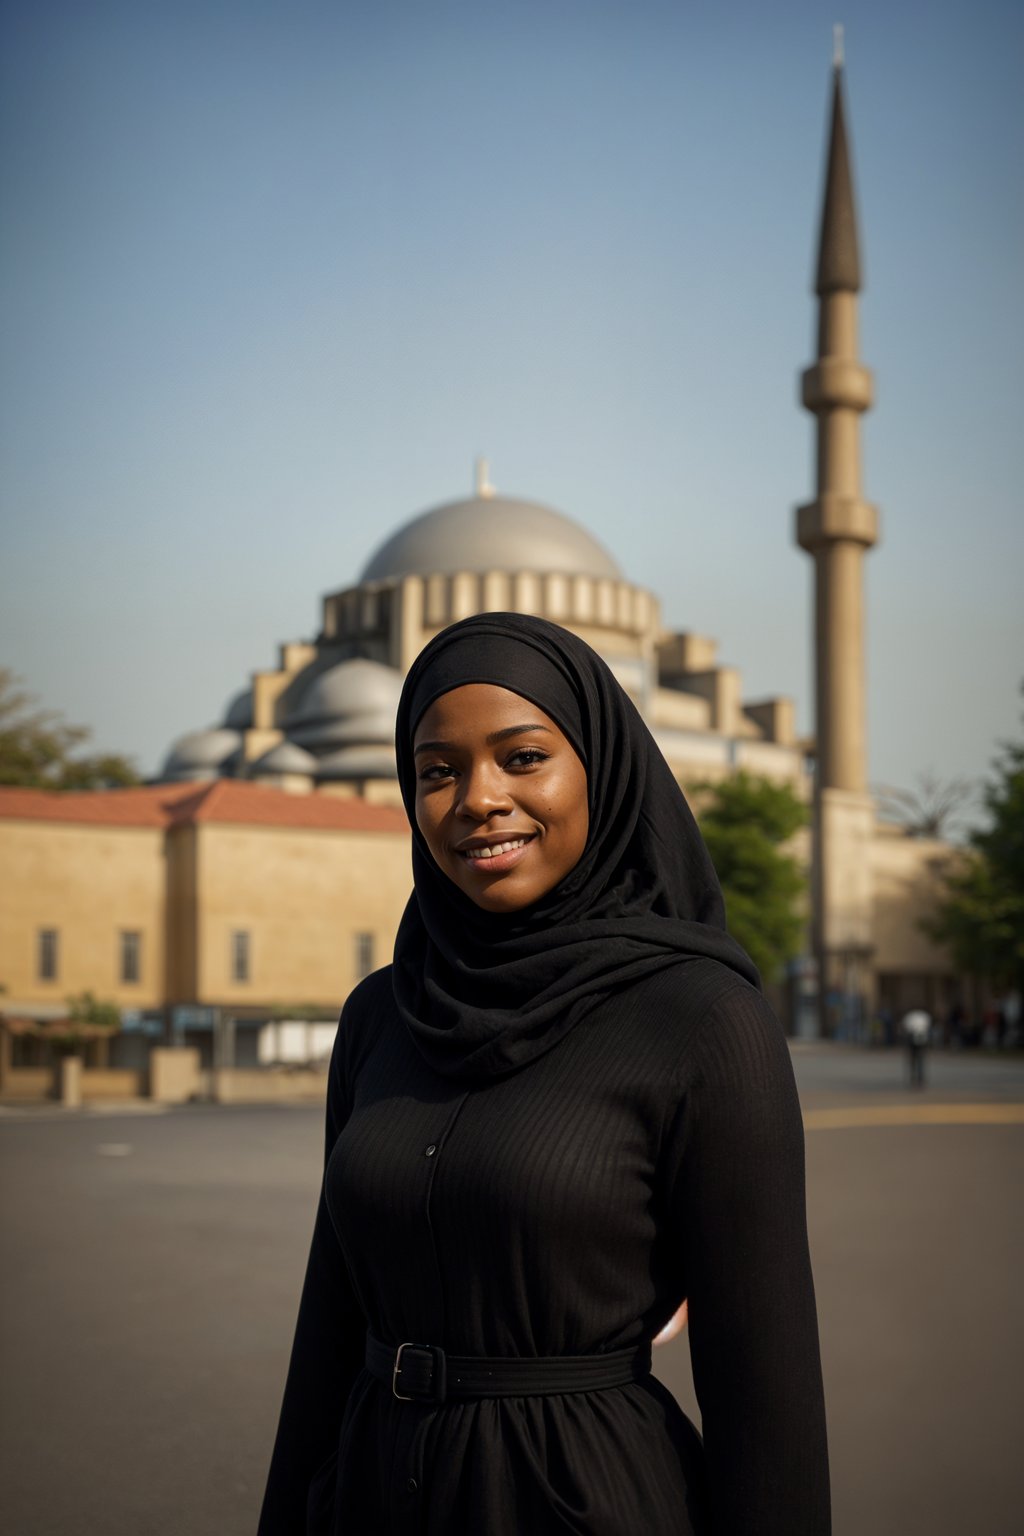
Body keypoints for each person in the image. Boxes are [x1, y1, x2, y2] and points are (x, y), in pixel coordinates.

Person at [258, 612, 831, 1535]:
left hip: (580, 1497)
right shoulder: (382, 1014)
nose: (477, 798)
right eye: (437, 771)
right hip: (372, 1497)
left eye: (523, 757)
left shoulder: (701, 1019)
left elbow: (767, 1399)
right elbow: (327, 1330)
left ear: (599, 766)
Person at [901, 1004, 932, 1088]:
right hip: (922, 1037)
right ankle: (920, 1078)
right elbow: (927, 1027)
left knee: (913, 1059)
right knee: (921, 1059)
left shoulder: (909, 1016)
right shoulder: (924, 1015)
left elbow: (906, 1027)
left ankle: (913, 1078)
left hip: (912, 1037)